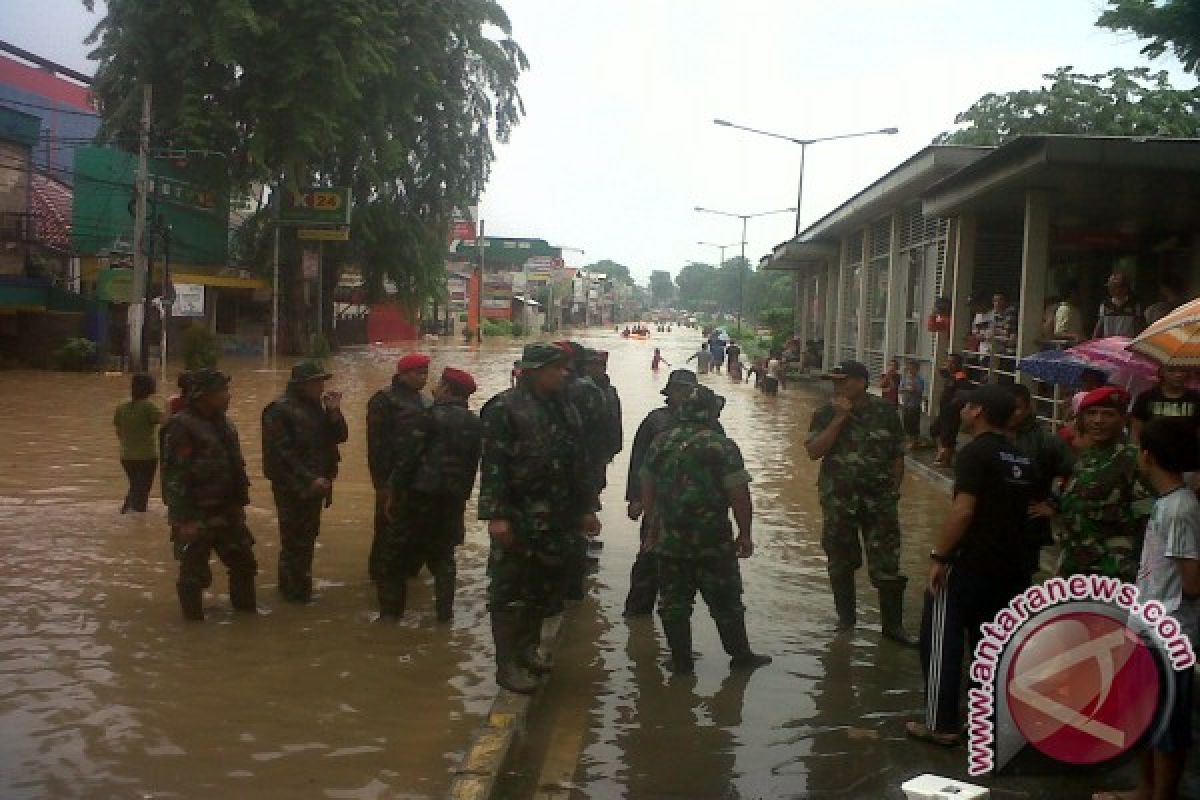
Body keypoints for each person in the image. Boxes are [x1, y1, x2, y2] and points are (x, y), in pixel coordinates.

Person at [905, 385, 1034, 747]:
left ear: (977, 411)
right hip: (1012, 568)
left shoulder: (975, 453)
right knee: (991, 646)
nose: (961, 412)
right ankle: (986, 726)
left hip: (969, 565)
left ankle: (940, 724)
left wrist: (940, 557)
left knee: (941, 644)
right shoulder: (1021, 458)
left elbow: (963, 511)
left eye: (966, 407)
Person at [479, 343, 600, 693]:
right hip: (519, 517)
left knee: (544, 589)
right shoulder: (503, 409)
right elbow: (493, 466)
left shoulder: (565, 408)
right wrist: (496, 516)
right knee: (510, 592)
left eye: (565, 367)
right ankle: (508, 665)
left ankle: (528, 649)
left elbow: (580, 463)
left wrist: (587, 508)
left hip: (559, 517)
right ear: (533, 371)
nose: (564, 373)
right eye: (555, 368)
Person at [1093, 417, 1200, 800]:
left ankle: (1161, 794)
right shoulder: (1170, 503)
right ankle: (1146, 789)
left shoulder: (1180, 508)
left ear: (1149, 455)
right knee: (1146, 715)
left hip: (1170, 634)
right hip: (1148, 625)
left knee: (1168, 723)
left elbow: (1192, 582)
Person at [642, 384, 771, 673]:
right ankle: (741, 657)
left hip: (669, 539)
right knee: (726, 601)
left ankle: (681, 661)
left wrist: (652, 527)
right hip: (712, 540)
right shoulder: (721, 445)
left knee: (674, 603)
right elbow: (739, 493)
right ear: (711, 412)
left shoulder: (660, 442)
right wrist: (745, 533)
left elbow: (646, 486)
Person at [805, 360, 914, 644]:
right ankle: (846, 622)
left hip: (879, 502)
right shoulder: (825, 412)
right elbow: (814, 452)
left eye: (844, 380)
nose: (838, 385)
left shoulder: (886, 412)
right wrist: (839, 419)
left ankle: (893, 627)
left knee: (887, 564)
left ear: (862, 382)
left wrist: (893, 491)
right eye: (835, 381)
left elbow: (897, 456)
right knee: (840, 562)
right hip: (839, 502)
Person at [383, 367, 482, 621]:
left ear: (447, 389)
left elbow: (407, 460)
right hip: (452, 500)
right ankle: (444, 617)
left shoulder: (425, 416)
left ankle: (390, 618)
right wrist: (462, 497)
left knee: (396, 557)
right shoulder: (474, 423)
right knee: (444, 560)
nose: (434, 388)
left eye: (438, 384)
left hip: (418, 497)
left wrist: (393, 493)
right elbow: (472, 465)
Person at [160, 369, 256, 621]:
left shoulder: (225, 423)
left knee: (244, 563)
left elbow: (235, 466)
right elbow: (174, 476)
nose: (228, 396)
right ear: (205, 396)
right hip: (197, 513)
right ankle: (192, 627)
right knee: (193, 574)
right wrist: (183, 519)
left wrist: (239, 505)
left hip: (228, 511)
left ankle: (246, 619)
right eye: (222, 391)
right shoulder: (181, 426)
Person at [262, 361, 349, 603]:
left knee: (306, 539)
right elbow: (282, 454)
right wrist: (309, 479)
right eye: (317, 382)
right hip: (293, 487)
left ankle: (295, 591)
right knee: (294, 541)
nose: (322, 387)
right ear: (302, 384)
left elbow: (340, 437)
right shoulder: (279, 410)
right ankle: (295, 596)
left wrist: (334, 412)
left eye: (322, 381)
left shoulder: (315, 407)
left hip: (316, 485)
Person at [623, 369, 701, 617]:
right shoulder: (655, 420)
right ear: (671, 393)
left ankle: (675, 618)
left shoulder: (707, 423)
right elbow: (638, 460)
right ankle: (637, 616)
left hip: (695, 508)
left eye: (689, 391)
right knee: (648, 559)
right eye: (680, 391)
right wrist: (635, 499)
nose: (685, 396)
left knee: (686, 566)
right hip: (656, 505)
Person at [1057, 387, 1152, 582]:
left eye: (1108, 414)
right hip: (1075, 571)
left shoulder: (1133, 461)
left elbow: (1148, 523)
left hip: (1113, 574)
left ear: (1123, 419)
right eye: (1092, 413)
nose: (1098, 421)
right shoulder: (1085, 459)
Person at [366, 354, 430, 581]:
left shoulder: (424, 400)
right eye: (418, 373)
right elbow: (376, 446)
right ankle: (380, 576)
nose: (423, 378)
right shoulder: (384, 400)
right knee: (387, 529)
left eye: (425, 373)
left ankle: (408, 573)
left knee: (415, 530)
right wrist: (382, 485)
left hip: (419, 478)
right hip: (391, 478)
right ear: (403, 374)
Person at [1007, 383, 1075, 579]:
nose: (1012, 414)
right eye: (1007, 408)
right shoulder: (991, 436)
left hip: (1027, 528)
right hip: (991, 527)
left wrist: (1054, 504)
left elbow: (1078, 475)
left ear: (1029, 408)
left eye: (1017, 408)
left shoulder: (1046, 442)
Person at [114, 372, 162, 513]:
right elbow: (166, 421)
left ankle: (127, 512)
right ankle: (136, 519)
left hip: (126, 456)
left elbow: (119, 432)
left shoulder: (121, 406)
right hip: (146, 456)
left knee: (135, 486)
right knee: (142, 490)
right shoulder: (149, 407)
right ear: (150, 388)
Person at [1131, 366, 1200, 446]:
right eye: (1171, 370)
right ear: (1162, 372)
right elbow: (1136, 431)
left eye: (1183, 370)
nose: (1178, 375)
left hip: (1186, 454)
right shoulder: (1146, 397)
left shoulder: (1196, 399)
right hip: (1151, 453)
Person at [931, 353, 971, 467]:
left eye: (952, 362)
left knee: (948, 437)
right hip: (944, 412)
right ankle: (941, 452)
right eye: (948, 361)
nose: (949, 364)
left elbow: (966, 391)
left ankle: (946, 460)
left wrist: (956, 402)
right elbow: (941, 371)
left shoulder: (960, 377)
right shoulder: (951, 376)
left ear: (958, 364)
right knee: (935, 430)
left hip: (952, 413)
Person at [1093, 272, 1144, 339]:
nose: (1111, 290)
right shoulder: (1105, 305)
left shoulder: (1134, 306)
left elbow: (1138, 328)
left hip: (1126, 344)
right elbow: (1099, 326)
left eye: (1114, 287)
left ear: (1125, 288)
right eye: (1111, 287)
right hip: (1108, 344)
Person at [898, 360, 925, 450]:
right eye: (909, 367)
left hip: (914, 405)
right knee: (906, 423)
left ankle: (914, 442)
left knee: (914, 424)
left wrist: (911, 386)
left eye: (912, 368)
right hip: (905, 404)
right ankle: (910, 440)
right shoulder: (905, 378)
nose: (910, 369)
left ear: (917, 369)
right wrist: (906, 390)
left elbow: (917, 391)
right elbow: (900, 389)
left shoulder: (919, 380)